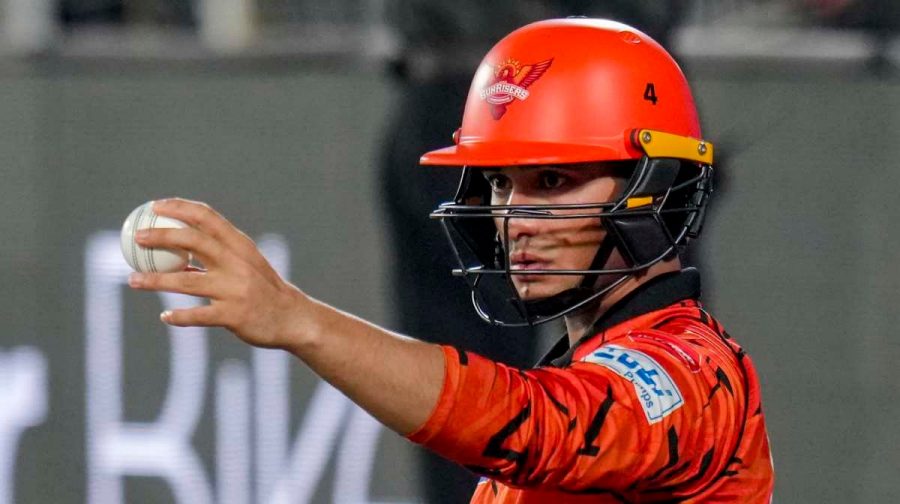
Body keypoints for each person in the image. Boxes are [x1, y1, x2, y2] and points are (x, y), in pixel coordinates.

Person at [128, 18, 775, 502]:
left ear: (654, 188)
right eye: (500, 184)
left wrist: (299, 320)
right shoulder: (563, 388)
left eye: (553, 181)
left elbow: (546, 426)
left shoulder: (698, 374)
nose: (514, 217)